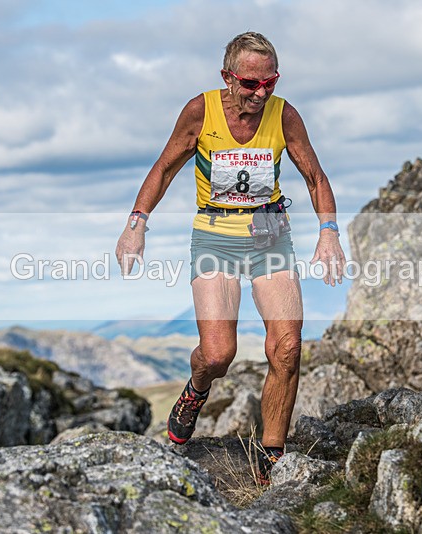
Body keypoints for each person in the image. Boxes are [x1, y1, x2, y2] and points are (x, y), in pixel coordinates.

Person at [115, 32, 345, 484]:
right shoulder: (201, 112)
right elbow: (163, 169)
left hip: (270, 236)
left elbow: (315, 176)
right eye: (249, 84)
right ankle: (195, 389)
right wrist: (136, 223)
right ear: (227, 77)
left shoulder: (285, 115)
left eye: (269, 83)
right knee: (219, 354)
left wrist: (329, 233)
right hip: (215, 238)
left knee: (287, 348)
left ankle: (272, 453)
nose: (260, 94)